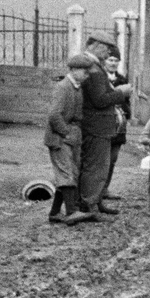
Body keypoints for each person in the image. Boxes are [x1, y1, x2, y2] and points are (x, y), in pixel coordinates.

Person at [76, 34, 133, 220]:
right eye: (106, 47)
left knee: (100, 167)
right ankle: (89, 206)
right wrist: (121, 93)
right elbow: (100, 100)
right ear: (94, 46)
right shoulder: (92, 68)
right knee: (95, 168)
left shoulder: (93, 65)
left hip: (99, 126)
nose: (108, 51)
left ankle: (96, 201)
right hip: (96, 126)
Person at [46, 53, 96, 225]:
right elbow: (54, 115)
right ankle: (71, 211)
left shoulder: (76, 87)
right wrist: (65, 132)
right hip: (60, 138)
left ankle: (54, 213)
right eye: (85, 72)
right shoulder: (63, 87)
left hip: (72, 135)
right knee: (66, 173)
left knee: (71, 173)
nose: (87, 76)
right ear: (74, 70)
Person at [102, 52, 132, 202]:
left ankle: (105, 188)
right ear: (105, 61)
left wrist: (126, 113)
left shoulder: (122, 79)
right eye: (110, 59)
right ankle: (96, 190)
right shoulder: (100, 79)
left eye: (116, 60)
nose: (113, 63)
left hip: (119, 124)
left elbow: (127, 101)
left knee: (113, 158)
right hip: (104, 123)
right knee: (101, 158)